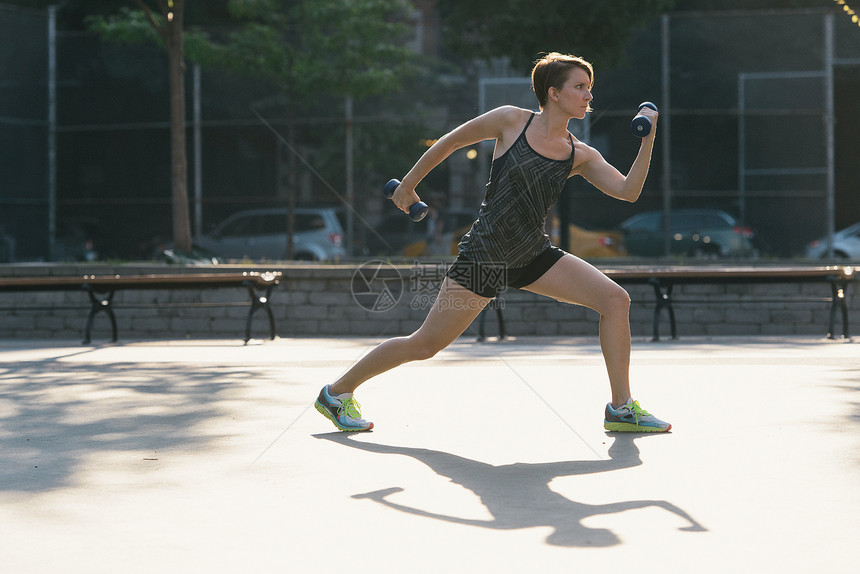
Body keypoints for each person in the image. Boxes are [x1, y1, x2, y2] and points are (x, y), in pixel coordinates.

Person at [315, 52, 670, 434]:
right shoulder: (510, 121)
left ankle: (620, 409)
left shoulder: (578, 153)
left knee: (615, 300)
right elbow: (450, 142)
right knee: (424, 345)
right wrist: (408, 185)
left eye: (590, 88)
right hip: (484, 257)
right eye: (580, 87)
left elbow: (627, 191)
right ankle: (336, 393)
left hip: (533, 254)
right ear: (553, 93)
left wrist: (647, 140)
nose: (588, 96)